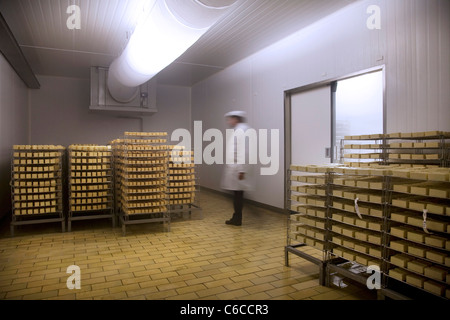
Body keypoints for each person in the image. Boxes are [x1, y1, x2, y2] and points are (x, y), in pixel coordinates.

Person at [221, 111, 254, 226]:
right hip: (235, 168)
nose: (229, 121)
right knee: (237, 194)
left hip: (237, 169)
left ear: (236, 119)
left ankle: (237, 218)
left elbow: (243, 151)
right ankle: (236, 217)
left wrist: (241, 170)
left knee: (238, 195)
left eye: (230, 119)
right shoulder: (239, 130)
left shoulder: (241, 130)